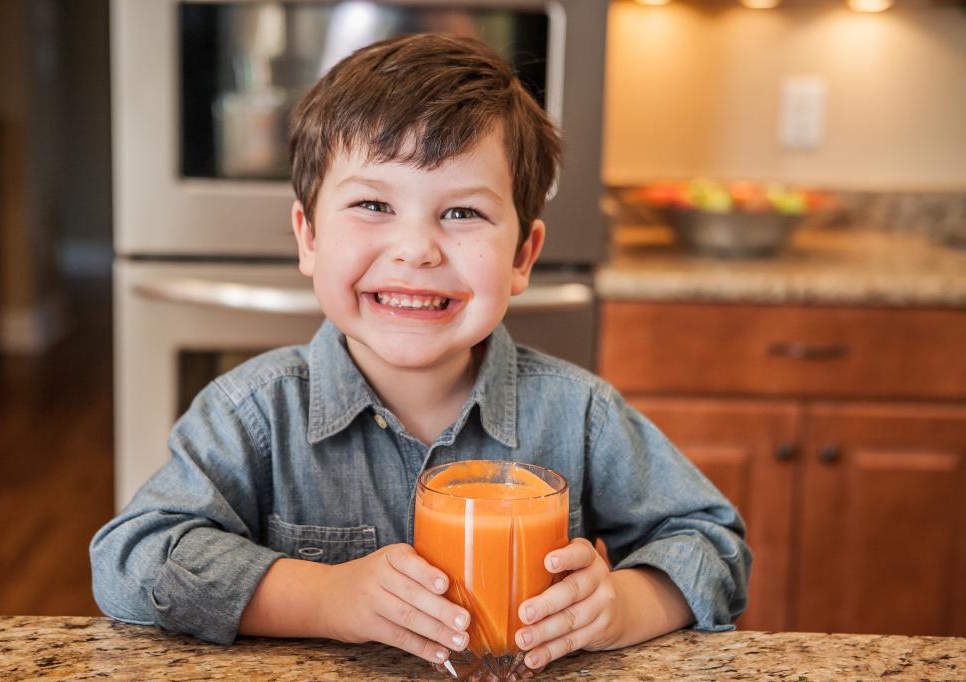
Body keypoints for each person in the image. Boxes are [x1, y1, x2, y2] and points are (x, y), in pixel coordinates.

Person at [90, 33, 751, 671]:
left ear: (523, 255)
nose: (416, 249)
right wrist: (325, 599)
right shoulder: (253, 415)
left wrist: (626, 606)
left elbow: (712, 543)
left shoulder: (579, 415)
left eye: (462, 214)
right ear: (309, 236)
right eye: (374, 203)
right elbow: (131, 560)